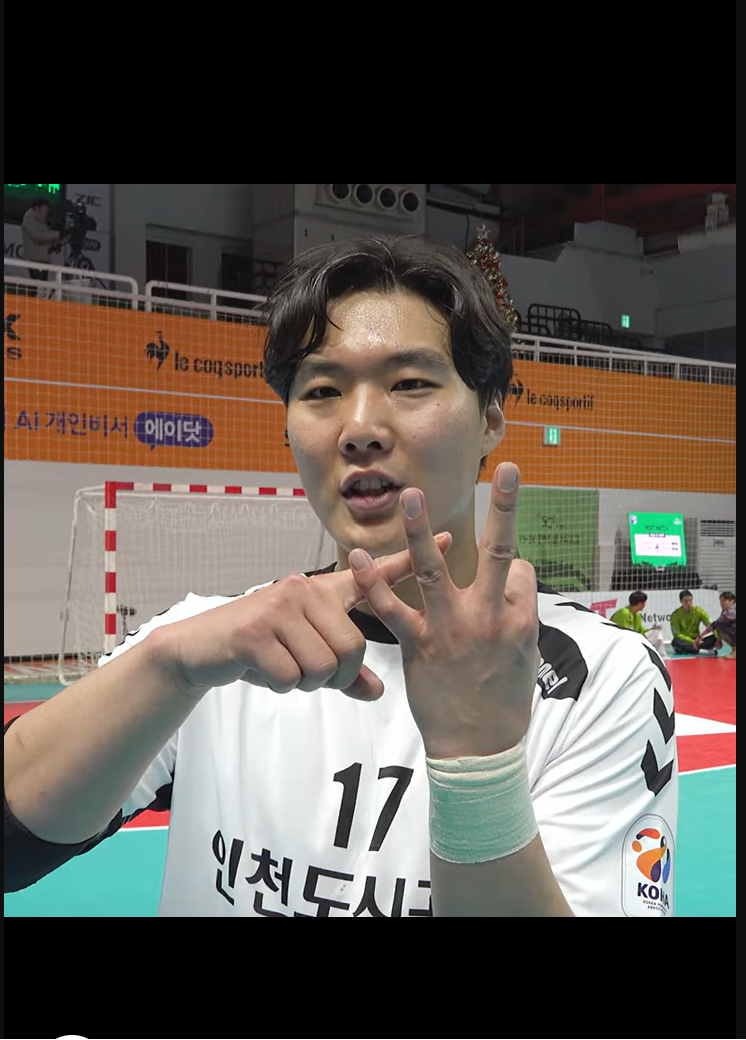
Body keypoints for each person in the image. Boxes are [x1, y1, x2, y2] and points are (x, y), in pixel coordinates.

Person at [4, 235, 677, 917]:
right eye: (322, 391)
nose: (359, 428)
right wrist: (166, 668)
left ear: (490, 417)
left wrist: (478, 766)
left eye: (409, 383)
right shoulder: (206, 649)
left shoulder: (600, 675)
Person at [20, 198, 61, 291]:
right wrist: (57, 234)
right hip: (35, 259)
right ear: (37, 208)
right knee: (36, 288)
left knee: (41, 288)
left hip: (42, 259)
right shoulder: (30, 218)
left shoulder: (41, 221)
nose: (47, 211)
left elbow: (46, 237)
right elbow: (38, 236)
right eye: (45, 208)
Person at [670, 590, 717, 655]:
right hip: (686, 641)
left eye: (690, 600)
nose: (688, 603)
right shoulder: (675, 615)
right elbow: (677, 634)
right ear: (681, 601)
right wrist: (692, 641)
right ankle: (701, 650)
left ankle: (694, 649)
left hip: (698, 639)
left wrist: (718, 638)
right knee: (675, 641)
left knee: (717, 635)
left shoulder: (698, 611)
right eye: (686, 601)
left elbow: (711, 625)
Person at [694, 591, 736, 660]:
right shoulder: (727, 611)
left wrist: (699, 636)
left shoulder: (730, 612)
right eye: (721, 601)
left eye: (724, 601)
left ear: (732, 601)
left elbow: (715, 625)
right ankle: (735, 650)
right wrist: (718, 639)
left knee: (720, 628)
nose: (722, 603)